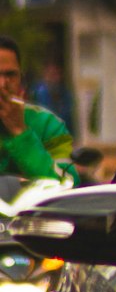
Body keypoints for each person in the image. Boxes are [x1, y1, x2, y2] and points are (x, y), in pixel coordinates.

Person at [0, 35, 77, 187]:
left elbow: (67, 185)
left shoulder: (49, 125)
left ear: (21, 79)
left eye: (10, 75)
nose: (2, 84)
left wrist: (20, 132)